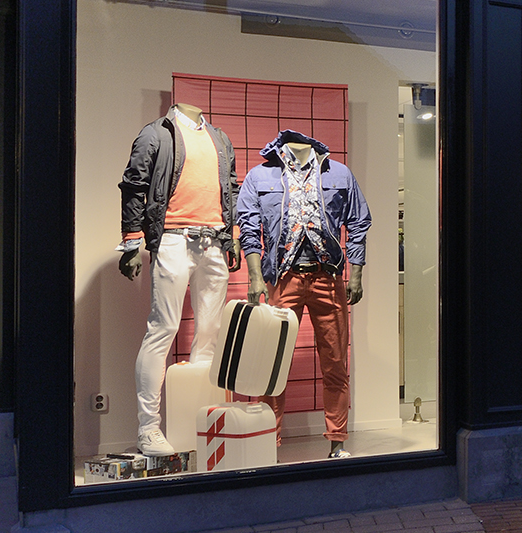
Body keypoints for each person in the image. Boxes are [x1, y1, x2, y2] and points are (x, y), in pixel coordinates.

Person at [238, 129, 369, 459]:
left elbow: (358, 222)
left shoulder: (339, 173)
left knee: (335, 363)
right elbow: (249, 228)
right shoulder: (260, 175)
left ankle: (337, 442)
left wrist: (356, 274)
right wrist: (255, 277)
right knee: (273, 364)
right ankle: (268, 445)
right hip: (284, 278)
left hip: (328, 277)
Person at [117, 103, 238, 456]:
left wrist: (230, 236)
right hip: (172, 238)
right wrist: (131, 241)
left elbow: (229, 188)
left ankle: (201, 423)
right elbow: (134, 185)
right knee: (163, 329)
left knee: (210, 332)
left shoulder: (219, 138)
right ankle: (148, 428)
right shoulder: (157, 133)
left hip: (213, 240)